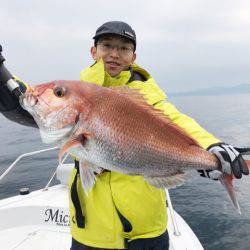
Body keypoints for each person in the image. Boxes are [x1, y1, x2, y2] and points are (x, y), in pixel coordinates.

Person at [0, 21, 248, 250]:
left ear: (134, 56)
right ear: (93, 51)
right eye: (107, 45)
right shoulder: (80, 95)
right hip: (90, 233)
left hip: (147, 229)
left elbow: (176, 120)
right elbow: (21, 96)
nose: (114, 54)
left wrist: (211, 145)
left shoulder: (148, 97)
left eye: (123, 48)